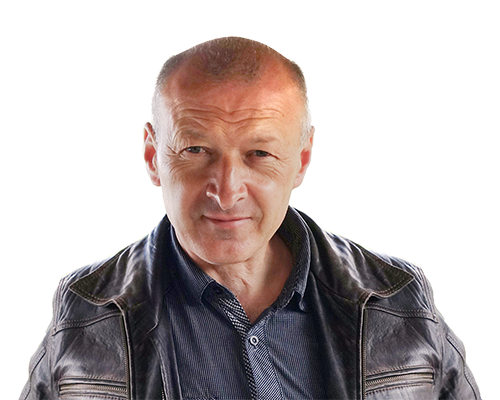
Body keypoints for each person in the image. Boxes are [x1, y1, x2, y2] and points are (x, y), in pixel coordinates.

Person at [19, 35, 481, 400]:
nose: (226, 193)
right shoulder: (87, 310)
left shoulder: (397, 297)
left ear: (301, 160)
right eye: (196, 150)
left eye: (259, 154)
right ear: (153, 156)